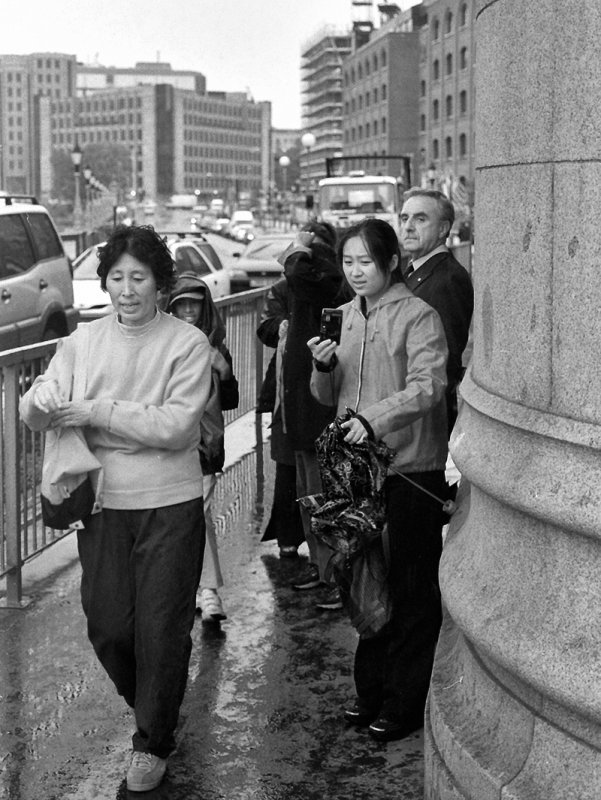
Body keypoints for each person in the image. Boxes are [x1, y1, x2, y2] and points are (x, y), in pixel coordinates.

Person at [19, 225, 212, 793]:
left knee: (160, 627)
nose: (126, 289)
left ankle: (153, 740)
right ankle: (157, 701)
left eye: (139, 278)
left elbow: (176, 427)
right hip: (102, 507)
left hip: (170, 505)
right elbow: (38, 410)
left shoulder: (187, 343)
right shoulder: (79, 343)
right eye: (116, 278)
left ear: (160, 284)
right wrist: (42, 400)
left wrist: (97, 412)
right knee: (109, 626)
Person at [308, 218, 449, 742]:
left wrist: (374, 420)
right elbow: (327, 397)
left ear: (391, 262)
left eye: (366, 260)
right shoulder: (341, 317)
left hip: (410, 471)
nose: (356, 271)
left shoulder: (418, 316)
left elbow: (429, 385)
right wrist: (321, 368)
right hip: (356, 475)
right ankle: (371, 692)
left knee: (411, 588)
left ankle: (404, 700)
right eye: (348, 261)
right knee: (364, 581)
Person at [279, 221, 345, 610]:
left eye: (310, 248)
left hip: (317, 413)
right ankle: (322, 570)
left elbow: (299, 274)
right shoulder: (305, 281)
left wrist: (301, 249)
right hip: (300, 413)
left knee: (325, 498)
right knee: (308, 497)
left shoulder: (326, 278)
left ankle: (337, 576)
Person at [167, 271, 239, 624]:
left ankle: (204, 592)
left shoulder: (216, 346)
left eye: (194, 305)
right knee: (194, 518)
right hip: (170, 444)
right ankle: (201, 590)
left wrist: (223, 372)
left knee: (195, 516)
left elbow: (230, 400)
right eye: (181, 306)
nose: (188, 313)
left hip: (206, 446)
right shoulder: (162, 347)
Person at [399, 188, 474, 434]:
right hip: (406, 408)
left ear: (443, 229)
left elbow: (446, 358)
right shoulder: (412, 270)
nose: (408, 226)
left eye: (420, 219)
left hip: (423, 418)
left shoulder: (447, 279)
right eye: (404, 218)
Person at [256, 277, 305, 559]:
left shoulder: (338, 286)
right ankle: (288, 537)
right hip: (286, 392)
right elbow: (266, 327)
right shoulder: (284, 288)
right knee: (287, 467)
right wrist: (285, 326)